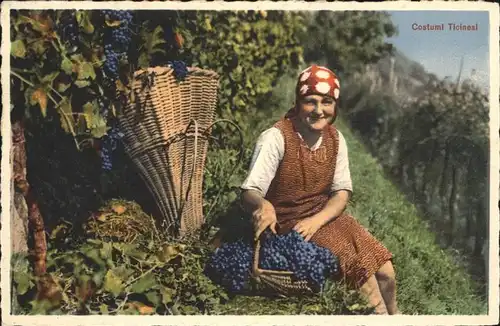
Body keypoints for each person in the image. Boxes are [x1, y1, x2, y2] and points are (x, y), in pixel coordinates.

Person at [240, 64, 400, 315]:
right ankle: (379, 316)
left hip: (323, 215)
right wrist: (263, 204)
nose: (318, 110)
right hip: (290, 224)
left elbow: (341, 193)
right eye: (310, 101)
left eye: (326, 102)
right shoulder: (276, 137)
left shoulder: (336, 139)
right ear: (297, 102)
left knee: (386, 270)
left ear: (335, 106)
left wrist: (317, 220)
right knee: (363, 276)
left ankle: (397, 317)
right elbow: (250, 190)